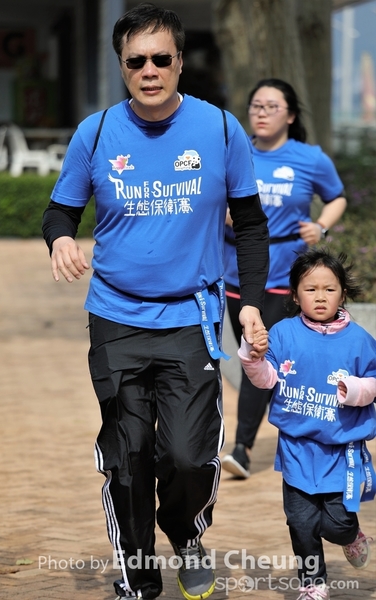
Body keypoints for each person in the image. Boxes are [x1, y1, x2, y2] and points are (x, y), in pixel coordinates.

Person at [42, 4, 269, 600]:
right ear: (122, 66)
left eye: (161, 58)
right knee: (129, 455)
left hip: (192, 320)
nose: (149, 70)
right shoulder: (96, 132)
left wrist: (248, 303)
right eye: (135, 61)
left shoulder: (221, 129)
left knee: (189, 457)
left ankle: (187, 535)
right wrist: (61, 237)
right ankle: (138, 579)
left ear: (179, 62)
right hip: (116, 318)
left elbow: (250, 225)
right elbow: (60, 211)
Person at [222, 78, 347, 479]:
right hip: (236, 269)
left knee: (257, 353)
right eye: (256, 106)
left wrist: (320, 226)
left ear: (290, 115)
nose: (261, 113)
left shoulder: (309, 158)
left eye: (271, 107)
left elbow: (337, 196)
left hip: (284, 272)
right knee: (252, 355)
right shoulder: (234, 150)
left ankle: (241, 447)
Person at [238, 247, 376, 600]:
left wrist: (357, 389)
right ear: (295, 295)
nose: (320, 296)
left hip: (341, 450)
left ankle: (351, 535)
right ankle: (313, 583)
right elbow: (266, 379)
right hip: (297, 449)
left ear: (343, 294)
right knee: (301, 523)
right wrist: (253, 357)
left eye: (329, 289)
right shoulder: (283, 333)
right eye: (311, 289)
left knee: (336, 524)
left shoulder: (360, 340)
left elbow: (374, 380)